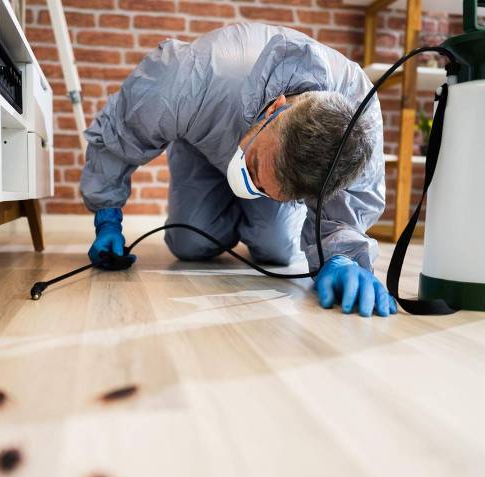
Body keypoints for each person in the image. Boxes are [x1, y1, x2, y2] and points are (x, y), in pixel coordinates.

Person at [80, 22, 397, 317]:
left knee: (278, 250)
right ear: (275, 108)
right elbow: (122, 131)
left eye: (270, 189)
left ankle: (268, 198)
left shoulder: (360, 127)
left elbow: (348, 208)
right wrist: (107, 215)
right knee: (189, 244)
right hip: (202, 147)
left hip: (270, 166)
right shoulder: (195, 77)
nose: (250, 184)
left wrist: (340, 256)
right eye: (257, 166)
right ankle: (239, 202)